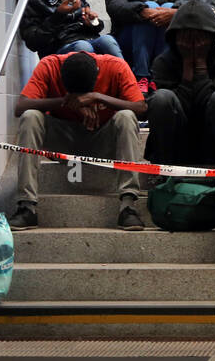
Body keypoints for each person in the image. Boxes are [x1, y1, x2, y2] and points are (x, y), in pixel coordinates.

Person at [9, 51, 146, 232]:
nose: (79, 98)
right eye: (73, 94)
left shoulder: (116, 66)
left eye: (84, 94)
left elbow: (141, 107)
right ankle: (27, 207)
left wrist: (98, 97)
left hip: (102, 139)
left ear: (97, 73)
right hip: (64, 140)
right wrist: (66, 102)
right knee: (30, 116)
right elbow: (20, 107)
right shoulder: (49, 65)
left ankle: (128, 206)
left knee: (127, 116)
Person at [146, 0, 215, 167]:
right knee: (161, 98)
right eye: (185, 37)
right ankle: (164, 170)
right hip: (178, 141)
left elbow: (208, 105)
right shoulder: (163, 62)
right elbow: (174, 109)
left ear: (212, 38)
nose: (192, 43)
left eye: (199, 37)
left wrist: (200, 64)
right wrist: (187, 68)